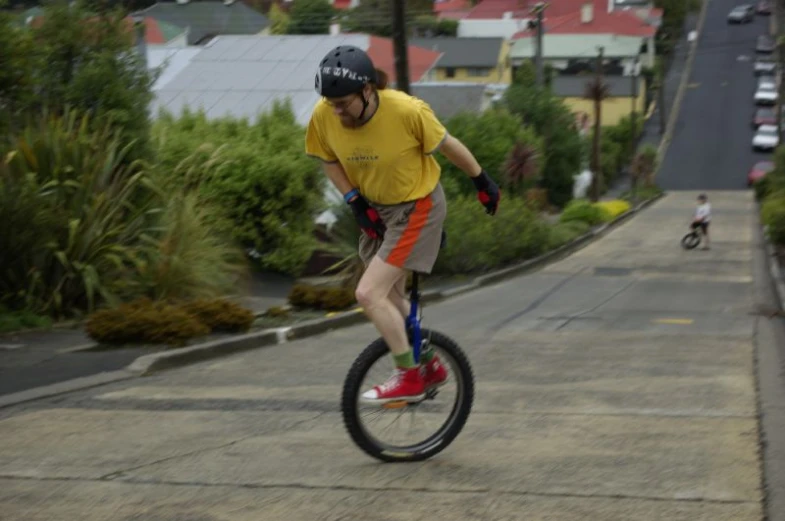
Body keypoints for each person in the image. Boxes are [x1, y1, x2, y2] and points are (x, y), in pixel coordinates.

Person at [305, 45, 501, 405]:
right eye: (330, 102)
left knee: (368, 294)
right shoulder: (325, 113)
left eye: (342, 103)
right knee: (391, 297)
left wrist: (481, 182)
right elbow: (327, 158)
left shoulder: (407, 111)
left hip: (417, 208)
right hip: (377, 210)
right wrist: (354, 200)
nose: (335, 111)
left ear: (367, 91)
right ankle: (429, 362)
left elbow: (449, 145)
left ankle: (408, 376)